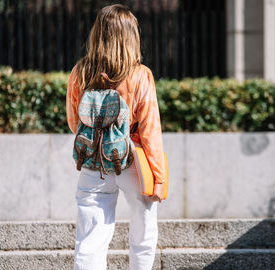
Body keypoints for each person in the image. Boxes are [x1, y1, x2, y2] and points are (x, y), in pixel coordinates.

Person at [66, 4, 166, 270]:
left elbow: (74, 122)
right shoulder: (140, 74)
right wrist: (158, 178)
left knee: (90, 238)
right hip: (131, 158)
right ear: (131, 36)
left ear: (97, 34)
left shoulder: (80, 72)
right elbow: (150, 131)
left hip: (93, 161)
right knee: (143, 232)